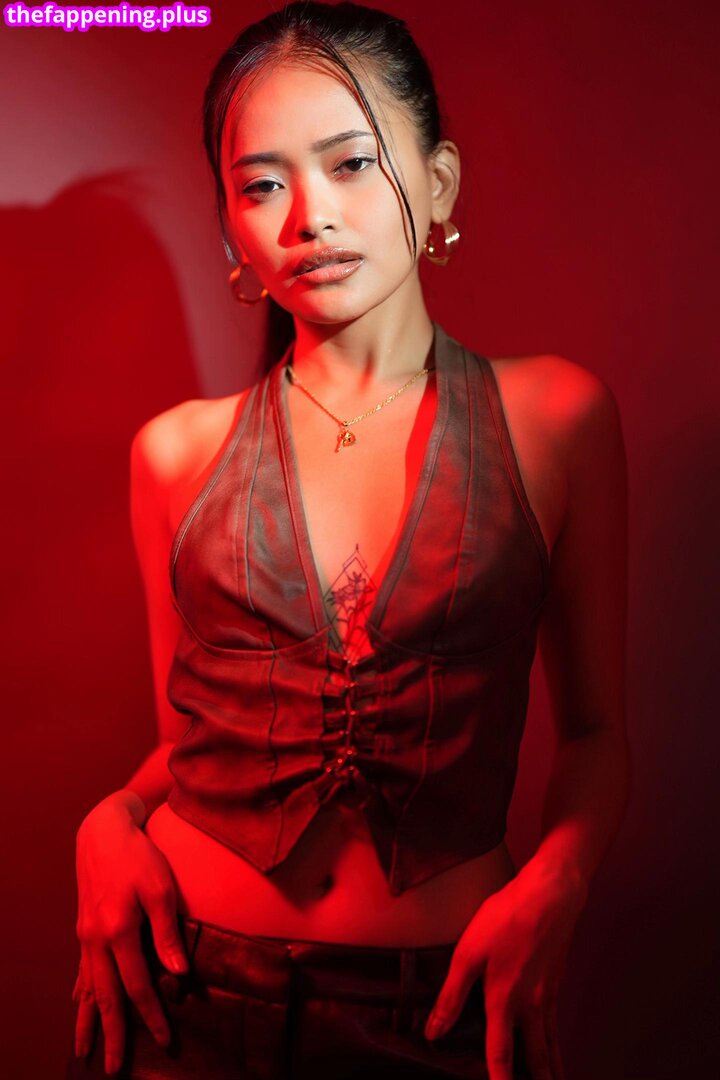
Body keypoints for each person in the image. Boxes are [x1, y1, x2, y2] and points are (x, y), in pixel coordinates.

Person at [67, 3, 631, 1078]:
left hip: (445, 1006)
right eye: (261, 185)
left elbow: (597, 734)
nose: (308, 218)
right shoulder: (175, 453)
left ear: (439, 183)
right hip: (181, 1001)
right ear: (230, 227)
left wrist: (557, 883)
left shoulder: (557, 419)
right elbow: (188, 744)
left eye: (351, 163)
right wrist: (110, 819)